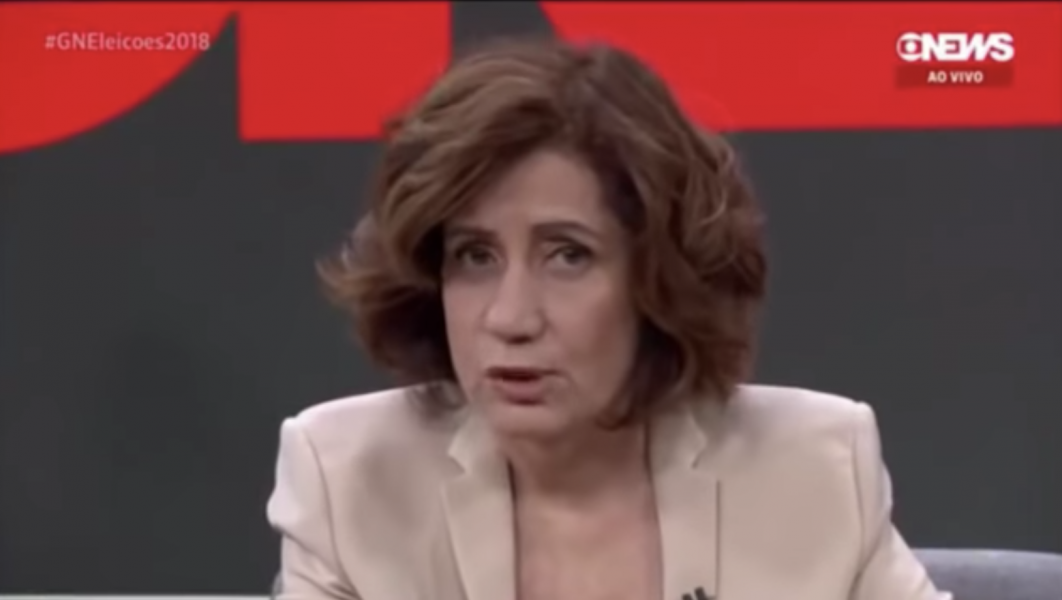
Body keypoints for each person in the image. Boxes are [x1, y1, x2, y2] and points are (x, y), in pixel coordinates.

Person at [266, 37, 951, 600]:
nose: (510, 317)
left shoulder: (814, 468)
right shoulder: (347, 481)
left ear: (657, 279)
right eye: (475, 256)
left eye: (568, 255)